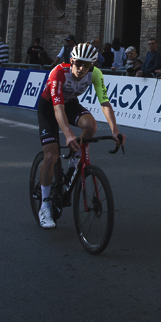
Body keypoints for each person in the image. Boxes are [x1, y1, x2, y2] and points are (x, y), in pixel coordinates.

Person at [35, 43, 125, 228]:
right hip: (50, 107)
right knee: (51, 156)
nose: (82, 68)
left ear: (93, 65)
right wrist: (68, 135)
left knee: (91, 126)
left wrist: (115, 131)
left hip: (70, 104)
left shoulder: (96, 74)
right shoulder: (58, 73)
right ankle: (45, 205)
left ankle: (75, 159)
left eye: (88, 65)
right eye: (78, 63)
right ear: (71, 61)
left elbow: (105, 103)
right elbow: (58, 109)